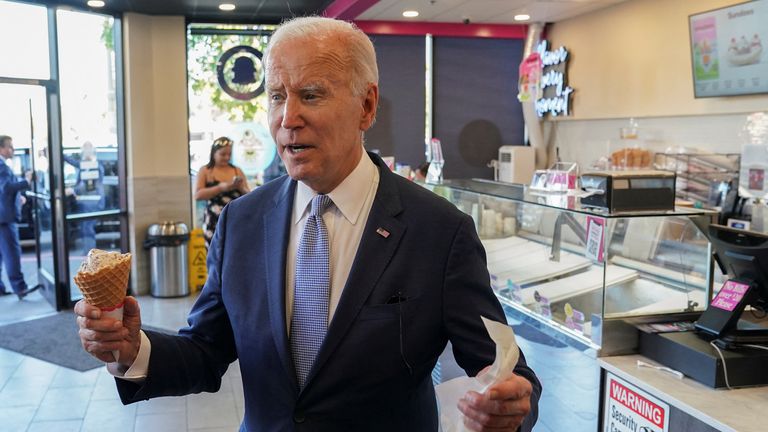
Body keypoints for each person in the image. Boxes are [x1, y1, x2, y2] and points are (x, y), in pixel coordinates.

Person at [75, 17, 540, 431]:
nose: (287, 118)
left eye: (311, 95)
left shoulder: (439, 231)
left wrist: (510, 405)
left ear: (366, 106)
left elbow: (504, 370)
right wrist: (134, 350)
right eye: (277, 96)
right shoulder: (242, 222)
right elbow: (207, 349)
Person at [0, 135, 39, 300]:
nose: (12, 150)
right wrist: (27, 180)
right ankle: (20, 287)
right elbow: (6, 188)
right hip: (5, 218)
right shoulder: (2, 166)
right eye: (10, 146)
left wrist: (18, 198)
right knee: (11, 254)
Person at [194, 136, 250, 247]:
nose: (226, 157)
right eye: (223, 154)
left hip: (235, 219)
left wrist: (240, 188)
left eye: (229, 154)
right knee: (214, 255)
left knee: (234, 253)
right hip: (213, 220)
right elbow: (197, 195)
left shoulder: (236, 170)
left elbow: (249, 195)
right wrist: (220, 188)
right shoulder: (205, 170)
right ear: (214, 152)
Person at [64, 141, 105, 255]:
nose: (84, 154)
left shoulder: (95, 166)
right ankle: (89, 254)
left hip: (93, 202)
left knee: (87, 228)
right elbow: (72, 162)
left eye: (86, 151)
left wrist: (74, 190)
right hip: (86, 202)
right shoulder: (85, 164)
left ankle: (91, 254)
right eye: (83, 151)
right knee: (85, 228)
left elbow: (89, 186)